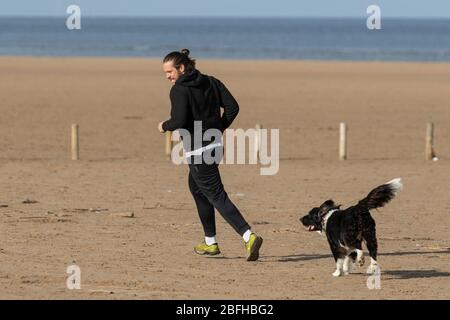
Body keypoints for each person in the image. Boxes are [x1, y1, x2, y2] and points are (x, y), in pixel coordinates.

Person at [158, 49, 263, 261]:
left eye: (170, 71)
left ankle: (248, 235)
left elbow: (178, 120)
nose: (167, 76)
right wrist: (218, 128)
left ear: (182, 68)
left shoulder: (179, 90)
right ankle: (210, 242)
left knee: (216, 195)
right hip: (215, 146)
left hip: (198, 151)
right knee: (197, 189)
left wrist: (163, 126)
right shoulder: (212, 81)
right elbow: (233, 108)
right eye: (165, 73)